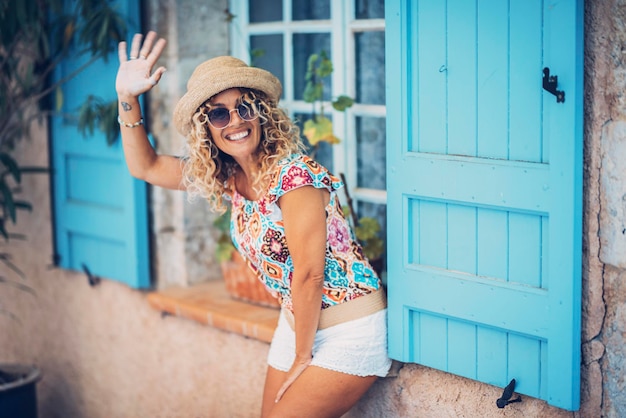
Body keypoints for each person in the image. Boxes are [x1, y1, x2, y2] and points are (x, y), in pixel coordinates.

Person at [115, 31, 392, 418]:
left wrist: (301, 357)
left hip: (349, 325)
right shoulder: (229, 179)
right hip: (299, 322)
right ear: (206, 127)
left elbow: (310, 274)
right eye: (219, 113)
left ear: (260, 112)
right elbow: (145, 167)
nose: (236, 121)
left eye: (245, 107)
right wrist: (127, 99)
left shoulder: (294, 175)